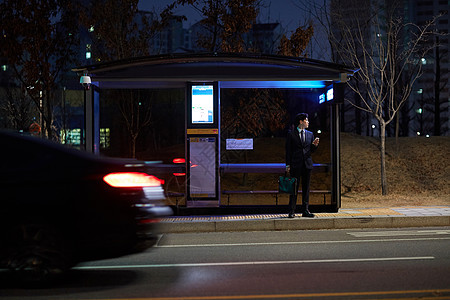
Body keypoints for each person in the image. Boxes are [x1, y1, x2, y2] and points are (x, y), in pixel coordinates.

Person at [285, 113, 320, 218]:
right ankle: (292, 211)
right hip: (296, 164)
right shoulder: (291, 134)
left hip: (307, 165)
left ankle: (305, 210)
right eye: (306, 120)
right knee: (294, 188)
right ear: (301, 121)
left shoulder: (310, 134)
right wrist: (288, 165)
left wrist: (314, 145)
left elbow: (310, 151)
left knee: (306, 188)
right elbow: (288, 151)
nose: (308, 122)